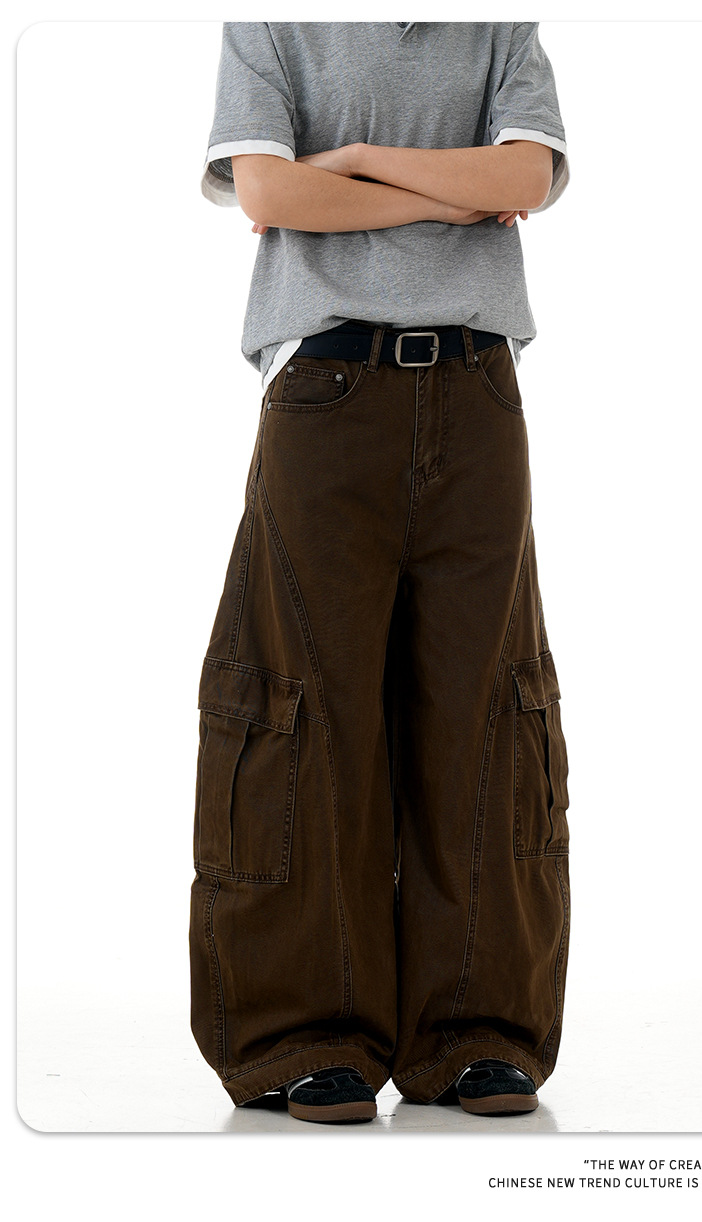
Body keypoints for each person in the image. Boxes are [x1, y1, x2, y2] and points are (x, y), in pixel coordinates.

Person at [190, 20, 571, 1126]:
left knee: (484, 705)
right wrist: (452, 191)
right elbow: (270, 191)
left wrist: (354, 163)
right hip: (325, 390)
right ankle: (305, 1035)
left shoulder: (497, 25)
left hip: (477, 388)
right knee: (305, 709)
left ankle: (475, 1033)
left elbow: (526, 178)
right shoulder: (273, 25)